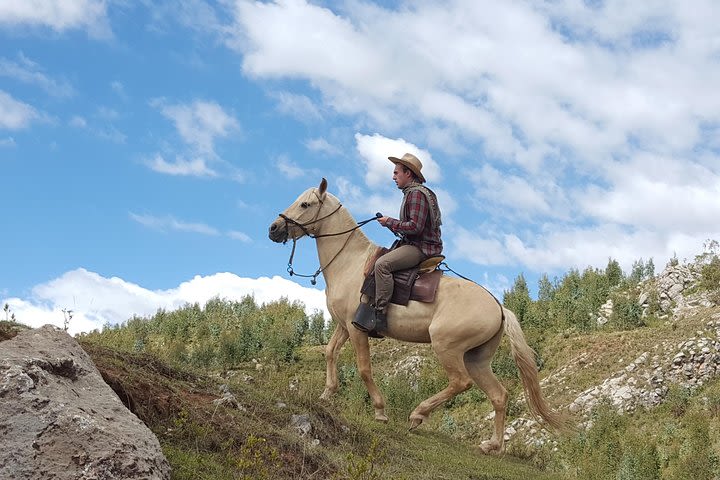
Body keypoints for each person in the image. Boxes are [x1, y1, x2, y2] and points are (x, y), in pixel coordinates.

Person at [352, 152, 443, 334]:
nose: (393, 177)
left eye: (396, 173)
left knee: (382, 265)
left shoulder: (416, 194)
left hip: (421, 248)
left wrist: (390, 222)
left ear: (408, 173)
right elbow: (411, 227)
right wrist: (390, 224)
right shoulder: (413, 193)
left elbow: (415, 227)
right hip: (416, 244)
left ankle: (380, 316)